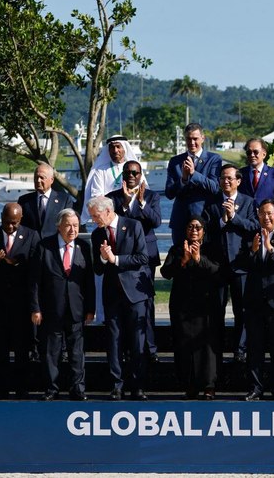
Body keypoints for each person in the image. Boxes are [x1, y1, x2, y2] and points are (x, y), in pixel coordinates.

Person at [87, 196, 151, 401]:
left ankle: (138, 385)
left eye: (96, 216)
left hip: (135, 293)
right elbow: (97, 269)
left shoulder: (133, 226)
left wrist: (115, 260)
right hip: (112, 294)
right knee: (114, 341)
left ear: (107, 211)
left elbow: (142, 258)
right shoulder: (97, 234)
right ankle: (117, 385)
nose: (94, 220)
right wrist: (103, 258)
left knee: (137, 341)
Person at [30, 209, 94, 401]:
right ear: (59, 226)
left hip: (77, 309)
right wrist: (36, 308)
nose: (73, 229)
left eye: (76, 225)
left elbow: (89, 281)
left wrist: (91, 308)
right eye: (68, 225)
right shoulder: (44, 247)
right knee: (51, 352)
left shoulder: (83, 246)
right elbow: (34, 282)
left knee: (76, 352)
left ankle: (77, 388)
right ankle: (52, 388)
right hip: (51, 310)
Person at [237, 203, 274, 400]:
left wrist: (271, 249)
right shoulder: (250, 235)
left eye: (270, 213)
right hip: (254, 301)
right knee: (255, 348)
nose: (266, 217)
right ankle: (255, 388)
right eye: (262, 214)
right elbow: (241, 264)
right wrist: (253, 251)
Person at [161, 216, 225, 400]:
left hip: (206, 306)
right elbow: (166, 273)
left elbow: (219, 273)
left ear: (204, 230)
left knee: (207, 348)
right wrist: (183, 260)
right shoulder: (177, 248)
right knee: (184, 345)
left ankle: (209, 385)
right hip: (183, 307)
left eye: (198, 227)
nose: (194, 230)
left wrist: (198, 259)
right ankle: (189, 385)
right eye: (190, 227)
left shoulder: (213, 249)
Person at [107, 160, 162, 364]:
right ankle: (127, 348)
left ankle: (150, 347)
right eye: (127, 172)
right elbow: (108, 222)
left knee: (146, 305)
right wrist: (124, 205)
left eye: (135, 172)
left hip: (144, 257)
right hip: (120, 260)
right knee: (122, 307)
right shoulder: (112, 198)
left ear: (141, 175)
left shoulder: (151, 196)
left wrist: (139, 204)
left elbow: (155, 221)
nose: (131, 176)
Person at [0, 202, 39, 399]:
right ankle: (2, 390)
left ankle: (22, 390)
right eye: (6, 222)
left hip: (22, 301)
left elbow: (34, 268)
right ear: (1, 218)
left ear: (20, 219)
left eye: (14, 223)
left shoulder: (32, 236)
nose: (10, 227)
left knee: (22, 349)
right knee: (1, 348)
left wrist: (12, 262)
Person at [203, 165, 258, 363]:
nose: (225, 182)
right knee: (216, 309)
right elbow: (205, 230)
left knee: (241, 309)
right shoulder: (212, 203)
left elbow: (254, 226)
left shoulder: (248, 202)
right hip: (217, 265)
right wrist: (221, 221)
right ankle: (215, 350)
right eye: (222, 178)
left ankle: (240, 349)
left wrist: (234, 218)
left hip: (240, 263)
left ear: (238, 181)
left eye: (229, 178)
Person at [165, 122, 223, 245]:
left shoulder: (214, 159)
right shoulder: (175, 162)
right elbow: (169, 193)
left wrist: (193, 173)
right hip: (181, 221)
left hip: (205, 219)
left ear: (203, 138)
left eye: (195, 139)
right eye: (188, 139)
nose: (192, 143)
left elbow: (214, 187)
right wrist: (183, 180)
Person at [80, 134, 139, 223]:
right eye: (112, 147)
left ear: (124, 148)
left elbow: (139, 191)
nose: (115, 150)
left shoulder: (134, 169)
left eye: (118, 147)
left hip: (131, 215)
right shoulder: (100, 170)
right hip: (108, 217)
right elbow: (97, 195)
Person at [19, 162, 73, 240]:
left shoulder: (64, 200)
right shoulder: (24, 200)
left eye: (42, 177)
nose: (38, 180)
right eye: (36, 177)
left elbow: (67, 224)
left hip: (54, 246)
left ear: (51, 180)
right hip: (31, 247)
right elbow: (21, 227)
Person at [240, 137, 274, 212]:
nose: (252, 155)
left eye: (255, 152)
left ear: (264, 154)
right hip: (245, 221)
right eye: (249, 152)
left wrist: (271, 212)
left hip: (267, 220)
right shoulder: (240, 173)